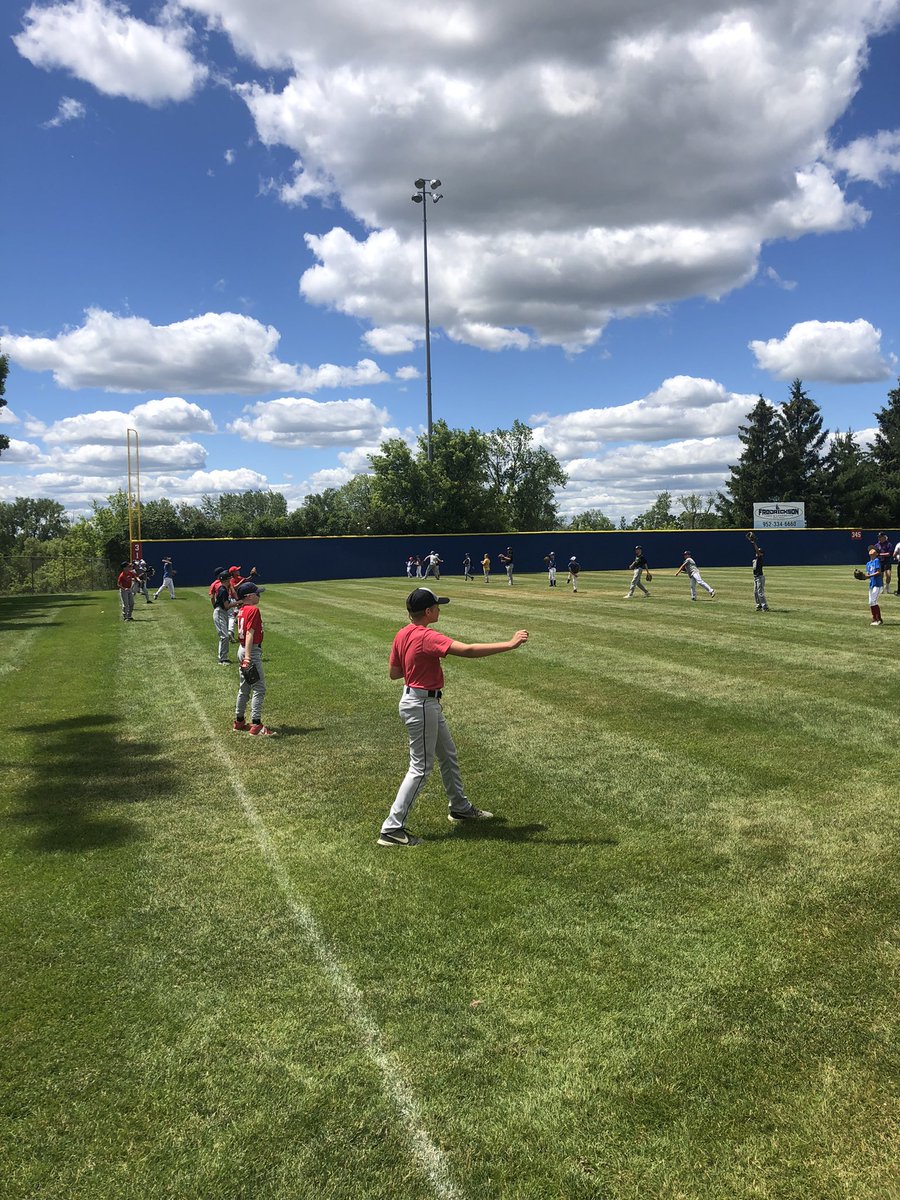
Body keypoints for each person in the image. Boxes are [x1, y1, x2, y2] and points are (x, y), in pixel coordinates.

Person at [377, 587, 529, 847]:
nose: (439, 609)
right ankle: (392, 828)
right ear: (428, 611)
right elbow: (467, 650)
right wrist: (510, 644)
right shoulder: (426, 636)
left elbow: (394, 673)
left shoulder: (403, 633)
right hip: (422, 705)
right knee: (420, 768)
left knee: (448, 754)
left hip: (418, 701)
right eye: (437, 606)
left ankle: (459, 806)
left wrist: (418, 667)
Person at [233, 583, 277, 735]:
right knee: (259, 688)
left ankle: (239, 721)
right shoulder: (253, 609)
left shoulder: (242, 609)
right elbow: (250, 634)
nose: (259, 595)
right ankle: (256, 725)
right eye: (257, 593)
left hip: (242, 648)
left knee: (244, 687)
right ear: (249, 596)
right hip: (250, 650)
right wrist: (248, 657)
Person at [212, 570, 237, 664]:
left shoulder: (224, 588)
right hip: (220, 613)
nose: (231, 579)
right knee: (225, 636)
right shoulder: (223, 590)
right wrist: (237, 603)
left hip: (222, 612)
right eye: (230, 578)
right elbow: (226, 606)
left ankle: (223, 657)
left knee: (224, 636)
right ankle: (222, 659)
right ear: (227, 580)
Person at [862, 545, 884, 626]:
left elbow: (878, 572)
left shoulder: (876, 561)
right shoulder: (868, 563)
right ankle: (875, 618)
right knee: (870, 602)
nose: (871, 550)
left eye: (873, 549)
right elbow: (868, 574)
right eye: (870, 549)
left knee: (873, 601)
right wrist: (863, 577)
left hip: (878, 584)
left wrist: (868, 576)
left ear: (876, 553)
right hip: (872, 584)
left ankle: (878, 619)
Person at [751, 539, 769, 611]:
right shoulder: (756, 560)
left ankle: (765, 606)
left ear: (762, 554)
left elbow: (757, 551)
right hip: (755, 577)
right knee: (755, 592)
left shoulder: (760, 558)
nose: (757, 552)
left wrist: (754, 543)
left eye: (759, 551)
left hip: (760, 578)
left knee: (760, 592)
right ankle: (758, 605)